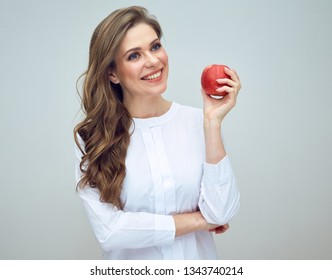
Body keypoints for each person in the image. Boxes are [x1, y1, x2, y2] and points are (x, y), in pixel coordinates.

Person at [74, 6, 241, 260]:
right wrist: (199, 220)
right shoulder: (92, 138)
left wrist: (212, 122)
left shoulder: (199, 122)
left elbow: (222, 211)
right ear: (112, 73)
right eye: (133, 56)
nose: (153, 61)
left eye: (155, 46)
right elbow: (110, 231)